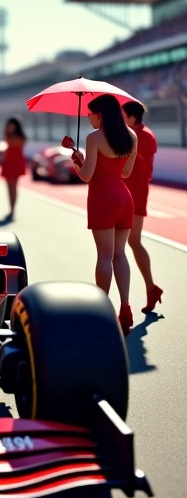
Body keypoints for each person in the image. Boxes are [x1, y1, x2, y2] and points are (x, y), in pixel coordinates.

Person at [66, 94, 137, 336]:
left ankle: (102, 312)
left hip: (102, 198)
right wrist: (84, 159)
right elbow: (125, 173)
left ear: (100, 114)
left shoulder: (94, 137)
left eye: (90, 113)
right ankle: (125, 308)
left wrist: (77, 162)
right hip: (124, 197)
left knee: (104, 256)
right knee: (120, 254)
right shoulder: (131, 136)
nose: (87, 117)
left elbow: (87, 176)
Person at [122, 100, 162, 313]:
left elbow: (132, 156)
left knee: (132, 242)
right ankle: (151, 288)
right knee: (129, 243)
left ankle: (149, 288)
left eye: (123, 116)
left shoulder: (144, 136)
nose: (120, 119)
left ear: (132, 117)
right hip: (125, 192)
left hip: (136, 194)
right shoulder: (132, 134)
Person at [1, 117, 27, 221]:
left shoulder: (20, 136)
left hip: (16, 163)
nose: (9, 127)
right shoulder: (8, 135)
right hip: (8, 162)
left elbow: (16, 143)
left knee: (13, 187)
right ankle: (11, 209)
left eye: (11, 125)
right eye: (9, 125)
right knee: (9, 187)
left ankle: (12, 210)